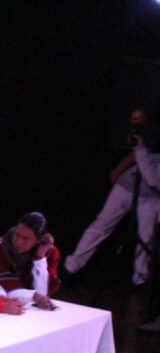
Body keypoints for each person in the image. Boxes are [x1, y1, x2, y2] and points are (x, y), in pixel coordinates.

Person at [65, 108, 160, 286]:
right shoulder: (151, 133)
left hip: (152, 196)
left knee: (146, 237)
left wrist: (140, 152)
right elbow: (134, 155)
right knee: (101, 225)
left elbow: (153, 179)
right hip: (128, 185)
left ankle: (140, 280)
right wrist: (118, 170)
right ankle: (71, 267)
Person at [0, 211, 61, 301]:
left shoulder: (50, 252)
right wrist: (33, 296)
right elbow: (7, 288)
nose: (19, 242)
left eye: (26, 238)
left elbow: (43, 294)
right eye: (17, 234)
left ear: (38, 240)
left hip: (28, 304)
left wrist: (39, 259)